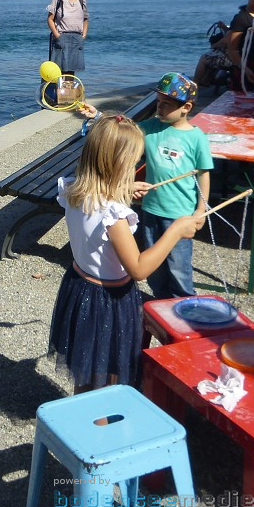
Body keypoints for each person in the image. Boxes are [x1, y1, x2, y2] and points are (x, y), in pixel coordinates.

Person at [48, 114, 199, 394]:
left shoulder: (73, 190)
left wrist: (126, 189)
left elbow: (99, 193)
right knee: (109, 377)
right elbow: (139, 269)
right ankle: (101, 428)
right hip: (108, 301)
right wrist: (175, 231)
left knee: (87, 370)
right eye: (133, 163)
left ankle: (82, 422)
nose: (136, 167)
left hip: (80, 288)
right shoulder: (114, 217)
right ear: (118, 165)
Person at [135, 73, 213, 298]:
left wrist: (201, 210)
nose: (159, 108)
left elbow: (204, 175)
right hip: (150, 210)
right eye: (158, 103)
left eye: (166, 104)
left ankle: (183, 305)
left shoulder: (197, 137)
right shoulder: (150, 127)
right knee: (154, 267)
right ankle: (161, 302)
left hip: (180, 215)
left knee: (179, 267)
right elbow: (124, 131)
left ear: (186, 107)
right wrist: (99, 116)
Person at [46, 0, 88, 76]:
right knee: (58, 71)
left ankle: (69, 91)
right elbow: (50, 19)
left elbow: (86, 18)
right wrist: (57, 35)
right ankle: (58, 91)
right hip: (62, 37)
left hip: (77, 38)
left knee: (71, 72)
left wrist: (84, 35)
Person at [192, 21, 235, 88]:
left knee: (204, 58)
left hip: (233, 60)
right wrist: (224, 27)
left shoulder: (238, 28)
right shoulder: (248, 25)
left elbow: (224, 42)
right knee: (214, 55)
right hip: (242, 58)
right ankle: (205, 80)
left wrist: (214, 45)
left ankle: (195, 84)